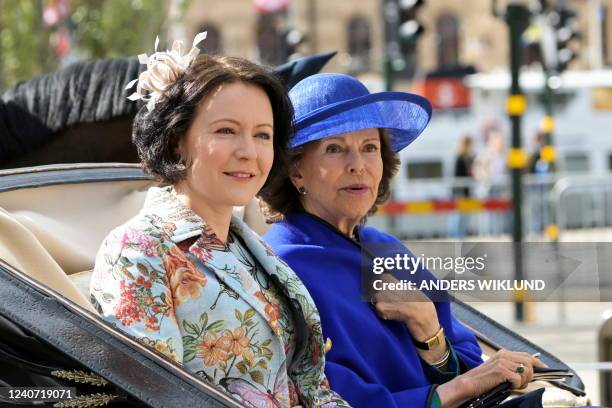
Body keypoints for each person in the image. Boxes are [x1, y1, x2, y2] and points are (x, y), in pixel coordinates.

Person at [90, 34, 349, 408]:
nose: (248, 152)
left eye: (262, 135)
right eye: (226, 131)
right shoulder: (137, 250)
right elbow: (150, 395)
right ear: (178, 139)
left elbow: (309, 388)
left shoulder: (253, 248)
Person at [260, 73, 546, 408]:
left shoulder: (384, 246)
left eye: (370, 147)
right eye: (334, 149)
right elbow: (326, 398)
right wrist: (463, 385)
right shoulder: (283, 264)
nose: (358, 166)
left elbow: (465, 360)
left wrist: (428, 331)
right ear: (295, 170)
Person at [449, 135, 475, 238]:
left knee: (464, 215)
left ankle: (462, 235)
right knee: (458, 215)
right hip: (459, 191)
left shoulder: (468, 158)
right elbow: (458, 175)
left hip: (466, 191)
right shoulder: (459, 158)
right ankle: (456, 236)